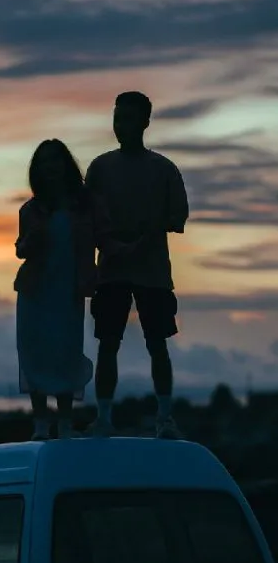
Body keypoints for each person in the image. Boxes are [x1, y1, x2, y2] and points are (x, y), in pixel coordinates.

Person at [85, 91, 189, 438]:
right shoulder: (100, 167)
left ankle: (164, 417)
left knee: (157, 342)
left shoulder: (163, 169)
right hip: (112, 268)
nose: (121, 126)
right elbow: (90, 219)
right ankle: (103, 417)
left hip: (152, 271)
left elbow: (178, 216)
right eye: (117, 118)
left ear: (145, 122)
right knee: (108, 343)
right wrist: (112, 245)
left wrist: (145, 235)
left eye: (128, 118)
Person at [14, 138, 118, 441]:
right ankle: (41, 424)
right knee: (33, 351)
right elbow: (21, 249)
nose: (50, 168)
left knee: (65, 351)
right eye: (44, 163)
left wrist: (124, 252)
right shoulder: (31, 210)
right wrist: (29, 242)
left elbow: (106, 237)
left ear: (65, 165)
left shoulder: (86, 205)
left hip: (69, 289)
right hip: (35, 290)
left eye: (55, 161)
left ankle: (65, 423)